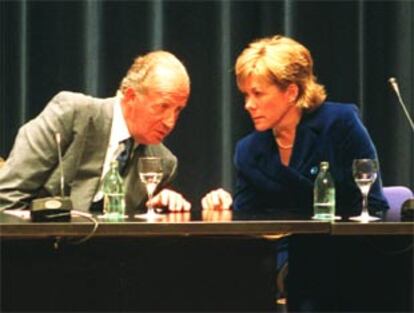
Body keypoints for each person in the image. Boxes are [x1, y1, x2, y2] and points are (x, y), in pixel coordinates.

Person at [201, 35, 389, 311]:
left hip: (348, 264)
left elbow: (373, 205)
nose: (248, 105)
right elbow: (249, 226)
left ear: (291, 92)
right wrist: (223, 207)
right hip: (285, 269)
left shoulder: (340, 124)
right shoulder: (249, 150)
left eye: (258, 93)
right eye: (245, 95)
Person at [0, 50, 191, 213]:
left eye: (178, 109)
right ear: (131, 96)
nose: (170, 121)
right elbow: (8, 197)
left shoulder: (163, 163)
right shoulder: (72, 114)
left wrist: (160, 207)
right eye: (162, 107)